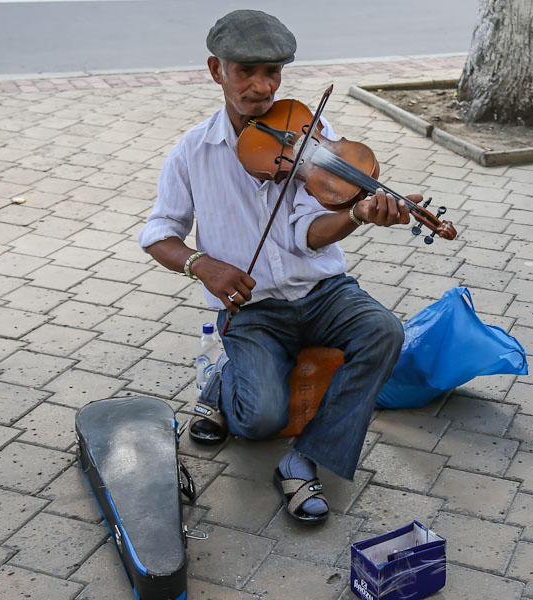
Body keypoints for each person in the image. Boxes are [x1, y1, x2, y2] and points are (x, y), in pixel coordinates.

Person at [138, 9, 415, 524]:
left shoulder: (312, 132)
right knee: (259, 419)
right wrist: (204, 265)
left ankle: (305, 459)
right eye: (246, 71)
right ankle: (222, 383)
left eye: (273, 73)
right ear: (216, 70)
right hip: (254, 307)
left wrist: (355, 213)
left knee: (384, 330)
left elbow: (306, 233)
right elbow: (157, 233)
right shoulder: (193, 151)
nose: (262, 87)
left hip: (323, 290)